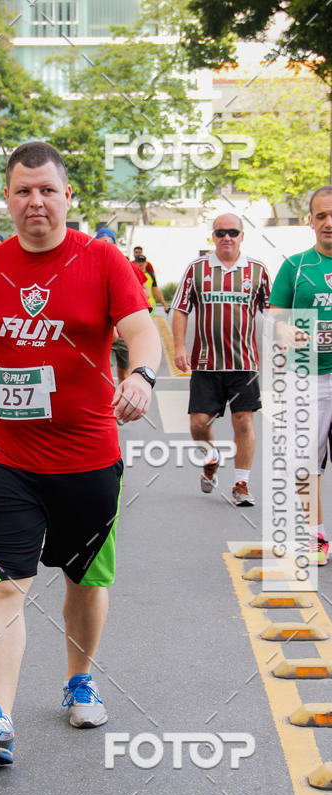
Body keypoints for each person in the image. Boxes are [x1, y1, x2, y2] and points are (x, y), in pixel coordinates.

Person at [0, 141, 161, 766]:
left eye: (46, 189)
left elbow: (142, 330)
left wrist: (141, 376)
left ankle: (80, 679)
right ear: (7, 199)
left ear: (68, 196)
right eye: (22, 190)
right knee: (5, 586)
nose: (34, 200)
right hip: (5, 458)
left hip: (88, 457)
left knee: (84, 577)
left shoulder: (102, 260)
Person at [172, 214, 270, 506]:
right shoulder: (197, 269)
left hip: (244, 364)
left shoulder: (258, 270)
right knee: (198, 424)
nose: (227, 237)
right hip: (206, 363)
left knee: (244, 422)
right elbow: (180, 309)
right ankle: (211, 457)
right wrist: (179, 346)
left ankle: (241, 483)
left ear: (242, 236)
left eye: (233, 232)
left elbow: (273, 311)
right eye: (220, 232)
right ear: (212, 236)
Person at [268, 186, 332, 564]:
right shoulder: (296, 266)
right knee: (303, 461)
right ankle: (315, 536)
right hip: (309, 379)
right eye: (321, 215)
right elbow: (275, 315)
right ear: (310, 220)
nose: (329, 222)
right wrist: (285, 331)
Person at [95, 227, 150, 384]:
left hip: (124, 332)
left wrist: (126, 300)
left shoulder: (127, 266)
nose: (105, 246)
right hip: (103, 334)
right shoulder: (90, 267)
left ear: (115, 244)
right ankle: (107, 404)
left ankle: (120, 402)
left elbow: (146, 292)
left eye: (108, 242)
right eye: (101, 243)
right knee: (103, 373)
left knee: (124, 374)